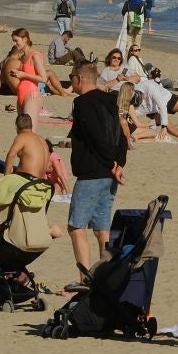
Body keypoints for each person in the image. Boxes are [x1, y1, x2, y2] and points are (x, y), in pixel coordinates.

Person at [66, 62, 127, 281]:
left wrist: (112, 162)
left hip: (92, 173)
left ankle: (85, 279)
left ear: (80, 79)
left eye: (71, 76)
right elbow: (122, 136)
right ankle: (105, 276)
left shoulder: (82, 103)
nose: (70, 80)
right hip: (108, 174)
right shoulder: (110, 101)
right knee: (102, 228)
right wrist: (119, 163)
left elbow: (94, 137)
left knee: (76, 226)